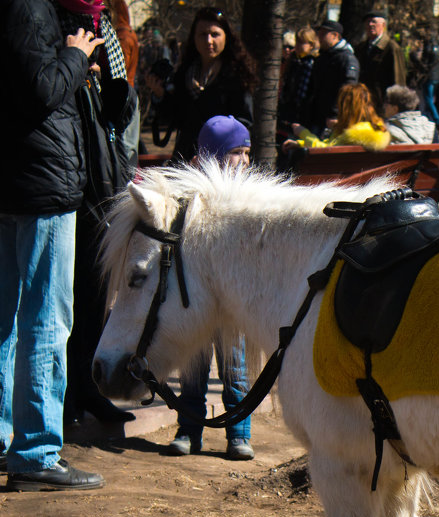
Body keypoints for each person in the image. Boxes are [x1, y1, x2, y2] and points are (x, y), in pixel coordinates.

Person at [0, 0, 106, 491]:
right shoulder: (26, 6)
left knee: (5, 308)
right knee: (47, 315)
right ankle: (37, 451)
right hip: (41, 178)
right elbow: (40, 88)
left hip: (9, 176)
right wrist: (76, 55)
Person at [56, 0, 139, 429]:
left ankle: (86, 388)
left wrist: (114, 87)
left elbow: (118, 114)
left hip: (102, 179)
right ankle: (64, 396)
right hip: (66, 180)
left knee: (94, 296)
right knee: (66, 299)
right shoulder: (53, 21)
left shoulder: (103, 26)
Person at [166, 115, 254, 460]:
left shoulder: (248, 196)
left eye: (248, 152)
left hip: (233, 300)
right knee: (192, 367)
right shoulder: (192, 195)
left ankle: (239, 434)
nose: (245, 160)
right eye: (236, 152)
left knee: (235, 370)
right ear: (215, 155)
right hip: (197, 299)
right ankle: (188, 429)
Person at [147, 6, 256, 163]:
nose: (208, 41)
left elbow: (243, 121)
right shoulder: (185, 72)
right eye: (202, 34)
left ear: (227, 37)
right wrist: (160, 95)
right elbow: (176, 117)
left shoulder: (236, 76)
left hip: (221, 162)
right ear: (194, 37)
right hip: (185, 158)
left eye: (215, 34)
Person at [284, 82, 390, 151]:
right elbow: (332, 144)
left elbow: (325, 151)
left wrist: (303, 133)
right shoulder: (376, 130)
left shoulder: (353, 135)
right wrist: (300, 144)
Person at [303, 19, 359, 136]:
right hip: (316, 116)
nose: (319, 37)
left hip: (333, 119)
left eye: (323, 34)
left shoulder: (347, 59)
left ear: (335, 36)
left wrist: (335, 114)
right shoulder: (322, 57)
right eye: (319, 33)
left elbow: (348, 89)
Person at [354, 10, 405, 109]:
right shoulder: (361, 48)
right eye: (367, 22)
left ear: (383, 25)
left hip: (382, 103)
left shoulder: (391, 48)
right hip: (362, 101)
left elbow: (398, 80)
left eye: (374, 22)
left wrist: (394, 104)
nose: (370, 25)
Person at [278, 26, 318, 132]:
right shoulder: (293, 60)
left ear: (311, 45)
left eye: (302, 42)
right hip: (290, 105)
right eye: (297, 42)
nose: (298, 46)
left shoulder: (313, 62)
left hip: (305, 109)